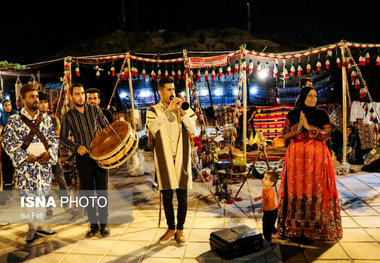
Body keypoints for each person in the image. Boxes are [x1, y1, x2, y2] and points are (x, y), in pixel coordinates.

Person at [277, 86, 342, 242]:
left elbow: (326, 134)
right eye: (310, 95)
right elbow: (284, 135)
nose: (313, 98)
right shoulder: (293, 114)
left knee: (318, 192)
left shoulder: (322, 114)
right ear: (303, 97)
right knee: (296, 192)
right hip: (296, 160)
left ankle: (319, 229)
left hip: (317, 160)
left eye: (315, 96)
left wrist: (308, 128)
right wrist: (298, 128)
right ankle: (294, 228)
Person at [2, 83, 58, 242]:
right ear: (23, 99)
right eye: (32, 96)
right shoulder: (14, 120)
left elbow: (53, 139)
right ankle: (31, 226)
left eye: (37, 96)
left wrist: (50, 153)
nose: (36, 99)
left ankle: (41, 224)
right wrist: (23, 156)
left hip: (43, 165)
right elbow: (7, 143)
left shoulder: (46, 118)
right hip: (25, 167)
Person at [146, 77, 197, 246]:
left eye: (173, 89)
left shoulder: (183, 107)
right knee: (167, 196)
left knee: (182, 197)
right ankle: (170, 228)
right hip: (164, 159)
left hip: (182, 157)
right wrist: (167, 111)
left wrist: (182, 113)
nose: (172, 93)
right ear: (160, 92)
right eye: (168, 90)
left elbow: (193, 130)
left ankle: (180, 230)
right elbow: (153, 128)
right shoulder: (153, 110)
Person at [60, 83, 110, 238]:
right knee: (88, 193)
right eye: (77, 94)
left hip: (100, 157)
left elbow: (107, 129)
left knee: (102, 191)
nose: (81, 96)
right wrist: (76, 147)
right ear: (71, 96)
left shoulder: (95, 109)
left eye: (82, 93)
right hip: (83, 159)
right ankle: (93, 225)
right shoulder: (68, 116)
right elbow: (61, 138)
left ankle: (104, 224)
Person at [38, 92, 74, 216]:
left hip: (52, 155)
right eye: (41, 102)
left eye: (45, 102)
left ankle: (67, 206)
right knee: (45, 184)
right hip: (40, 157)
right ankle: (48, 208)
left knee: (61, 181)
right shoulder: (33, 120)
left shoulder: (54, 119)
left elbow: (56, 135)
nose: (44, 105)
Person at [254, 171, 279, 245]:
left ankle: (267, 240)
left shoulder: (270, 192)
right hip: (268, 211)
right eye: (264, 177)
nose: (263, 179)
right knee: (268, 224)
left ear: (271, 183)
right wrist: (259, 198)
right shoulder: (265, 189)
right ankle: (274, 231)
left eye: (266, 178)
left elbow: (270, 204)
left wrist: (262, 209)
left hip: (271, 212)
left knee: (266, 226)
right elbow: (264, 197)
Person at [0, 99, 18, 187]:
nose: (8, 107)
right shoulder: (1, 117)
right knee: (6, 160)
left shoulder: (16, 115)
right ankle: (8, 180)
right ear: (3, 107)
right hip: (5, 143)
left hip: (16, 142)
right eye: (6, 105)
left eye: (9, 105)